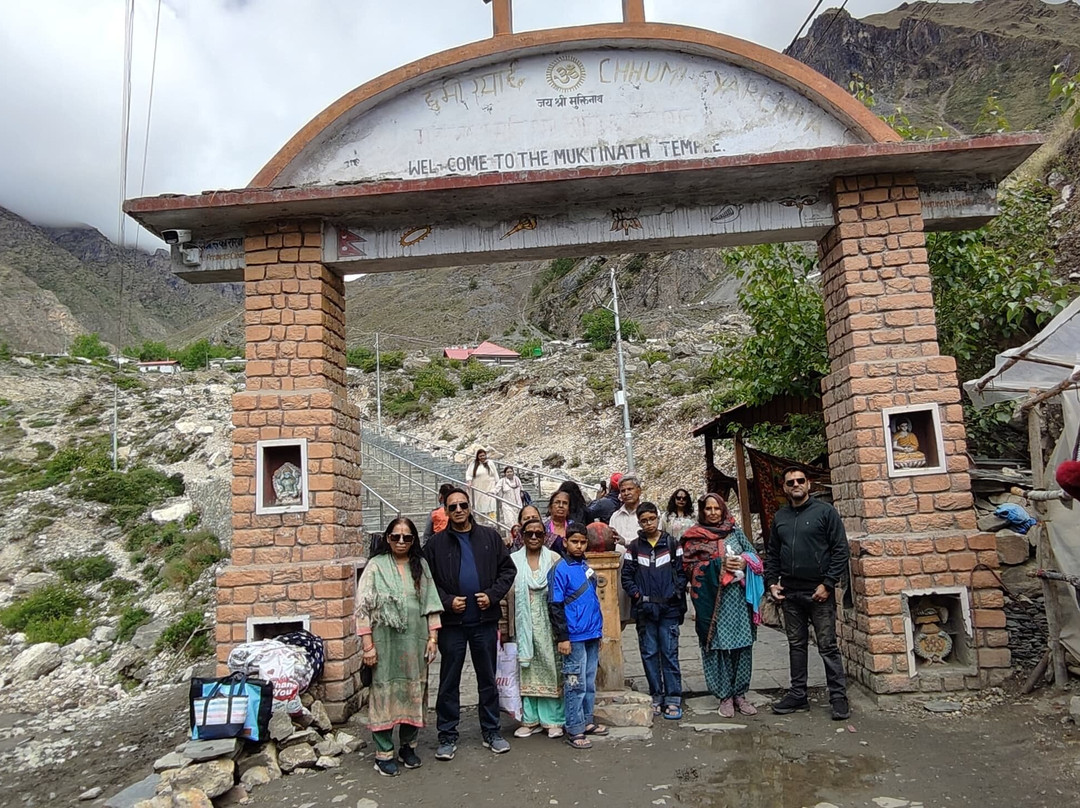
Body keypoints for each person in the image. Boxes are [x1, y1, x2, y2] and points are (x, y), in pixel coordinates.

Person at [423, 487, 517, 759]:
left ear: (470, 507)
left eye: (463, 505)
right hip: (452, 625)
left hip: (484, 622)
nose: (459, 510)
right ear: (446, 510)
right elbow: (427, 582)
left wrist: (492, 595)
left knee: (487, 678)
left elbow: (508, 570)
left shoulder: (489, 537)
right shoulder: (435, 545)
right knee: (449, 680)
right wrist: (447, 601)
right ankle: (447, 735)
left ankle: (491, 731)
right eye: (452, 507)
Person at [355, 518, 442, 776]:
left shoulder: (421, 566)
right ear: (387, 538)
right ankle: (383, 752)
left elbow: (431, 604)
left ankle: (408, 746)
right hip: (385, 645)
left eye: (407, 537)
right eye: (396, 537)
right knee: (384, 692)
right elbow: (363, 608)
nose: (401, 541)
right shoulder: (375, 566)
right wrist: (367, 646)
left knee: (414, 690)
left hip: (415, 644)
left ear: (414, 541)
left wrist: (433, 638)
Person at [765, 467, 851, 721]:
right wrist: (772, 582)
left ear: (809, 484)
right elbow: (772, 553)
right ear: (784, 487)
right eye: (790, 482)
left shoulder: (825, 513)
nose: (796, 484)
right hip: (791, 592)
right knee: (796, 645)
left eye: (800, 480)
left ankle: (838, 697)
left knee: (827, 646)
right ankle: (798, 694)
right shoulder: (780, 517)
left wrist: (828, 583)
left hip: (818, 591)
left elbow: (840, 549)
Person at [681, 493, 763, 718]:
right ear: (702, 511)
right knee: (716, 647)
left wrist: (744, 561)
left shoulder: (735, 532)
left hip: (738, 601)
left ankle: (740, 694)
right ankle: (724, 696)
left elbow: (755, 556)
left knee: (742, 646)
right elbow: (688, 567)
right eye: (708, 509)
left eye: (717, 508)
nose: (713, 512)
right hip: (712, 604)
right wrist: (718, 565)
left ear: (723, 509)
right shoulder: (695, 537)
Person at [621, 501, 687, 720]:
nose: (648, 523)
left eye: (651, 519)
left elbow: (681, 572)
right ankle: (656, 695)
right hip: (645, 610)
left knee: (669, 652)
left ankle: (673, 698)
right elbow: (627, 576)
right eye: (644, 520)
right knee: (649, 653)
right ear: (639, 522)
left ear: (658, 518)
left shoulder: (672, 544)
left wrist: (674, 594)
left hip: (669, 609)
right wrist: (638, 597)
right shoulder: (633, 547)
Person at [549, 521, 607, 750]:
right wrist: (562, 637)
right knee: (575, 683)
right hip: (573, 636)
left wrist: (599, 632)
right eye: (575, 541)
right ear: (565, 542)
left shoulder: (585, 566)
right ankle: (574, 728)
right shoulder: (559, 569)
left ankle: (587, 720)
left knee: (589, 681)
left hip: (592, 633)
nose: (579, 546)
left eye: (583, 542)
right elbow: (555, 605)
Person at [511, 516, 566, 739]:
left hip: (549, 625)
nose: (534, 537)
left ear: (545, 536)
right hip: (524, 625)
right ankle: (530, 719)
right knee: (527, 670)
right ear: (522, 537)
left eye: (539, 533)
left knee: (551, 669)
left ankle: (553, 720)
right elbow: (507, 594)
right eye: (529, 533)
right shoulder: (513, 560)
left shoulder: (554, 559)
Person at [465, 448, 499, 521]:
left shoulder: (490, 463)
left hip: (490, 487)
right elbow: (469, 474)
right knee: (479, 506)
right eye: (480, 456)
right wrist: (469, 482)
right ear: (477, 457)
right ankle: (481, 521)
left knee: (491, 504)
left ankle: (492, 521)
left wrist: (497, 486)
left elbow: (496, 475)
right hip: (478, 488)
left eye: (483, 455)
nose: (482, 457)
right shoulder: (473, 464)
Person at [608, 474, 643, 546]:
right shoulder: (615, 516)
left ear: (639, 491)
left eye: (630, 489)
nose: (626, 493)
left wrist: (625, 542)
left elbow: (652, 540)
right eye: (623, 491)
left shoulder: (650, 513)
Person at [492, 466, 524, 530]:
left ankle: (517, 539)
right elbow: (496, 489)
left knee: (518, 523)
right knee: (510, 523)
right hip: (507, 505)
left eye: (511, 471)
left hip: (518, 505)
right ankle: (510, 538)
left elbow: (521, 489)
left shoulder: (517, 480)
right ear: (505, 473)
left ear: (513, 472)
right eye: (507, 472)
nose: (509, 473)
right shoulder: (502, 481)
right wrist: (491, 492)